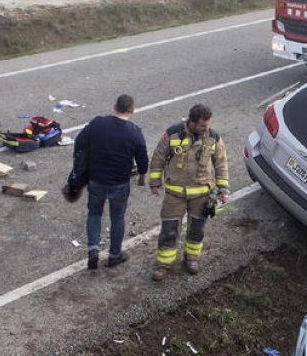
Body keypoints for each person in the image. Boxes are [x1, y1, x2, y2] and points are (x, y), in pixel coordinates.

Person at [148, 104, 229, 281]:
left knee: (197, 230)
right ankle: (164, 264)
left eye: (208, 125)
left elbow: (221, 164)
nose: (206, 128)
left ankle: (191, 259)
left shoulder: (213, 138)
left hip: (201, 195)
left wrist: (223, 189)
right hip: (174, 195)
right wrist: (154, 182)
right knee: (169, 231)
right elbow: (158, 157)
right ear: (191, 122)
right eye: (202, 125)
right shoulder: (173, 134)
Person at [72, 94, 149, 269]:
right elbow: (142, 159)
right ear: (132, 110)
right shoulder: (135, 132)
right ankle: (114, 255)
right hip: (119, 183)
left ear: (114, 107)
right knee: (117, 217)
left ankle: (93, 249)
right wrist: (143, 176)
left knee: (94, 213)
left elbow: (80, 141)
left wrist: (79, 164)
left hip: (96, 180)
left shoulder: (98, 123)